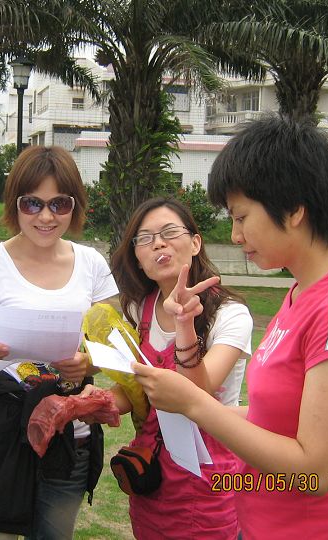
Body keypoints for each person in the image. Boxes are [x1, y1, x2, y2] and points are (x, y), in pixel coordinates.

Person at [132, 115, 328, 540]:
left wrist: (196, 406)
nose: (236, 235)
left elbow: (316, 471)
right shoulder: (302, 293)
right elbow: (273, 418)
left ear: (293, 209)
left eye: (241, 217)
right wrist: (187, 351)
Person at [0, 145, 119, 539]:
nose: (46, 217)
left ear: (75, 206)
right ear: (15, 204)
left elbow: (113, 347)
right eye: (32, 204)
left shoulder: (92, 264)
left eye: (59, 204)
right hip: (5, 432)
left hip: (69, 434)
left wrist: (88, 363)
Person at [105, 197, 252, 539]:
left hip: (208, 474)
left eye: (170, 232)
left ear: (196, 243)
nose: (158, 243)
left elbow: (196, 394)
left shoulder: (230, 314)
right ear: (137, 258)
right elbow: (135, 388)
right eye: (145, 238)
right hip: (150, 470)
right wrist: (95, 402)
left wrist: (185, 324)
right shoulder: (138, 309)